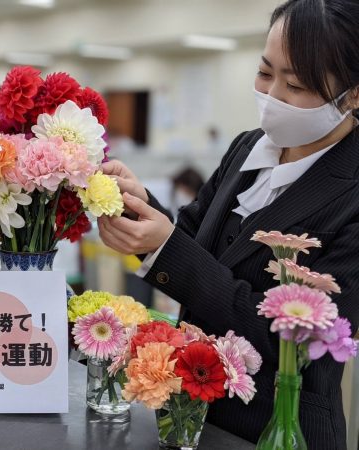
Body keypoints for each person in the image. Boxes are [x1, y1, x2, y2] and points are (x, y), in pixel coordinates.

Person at [98, 1, 359, 447]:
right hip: (191, 403)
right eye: (264, 72)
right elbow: (194, 241)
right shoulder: (248, 148)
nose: (273, 95)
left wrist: (167, 249)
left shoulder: (350, 192)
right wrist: (143, 209)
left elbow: (294, 345)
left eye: (295, 84)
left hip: (276, 426)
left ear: (352, 95)